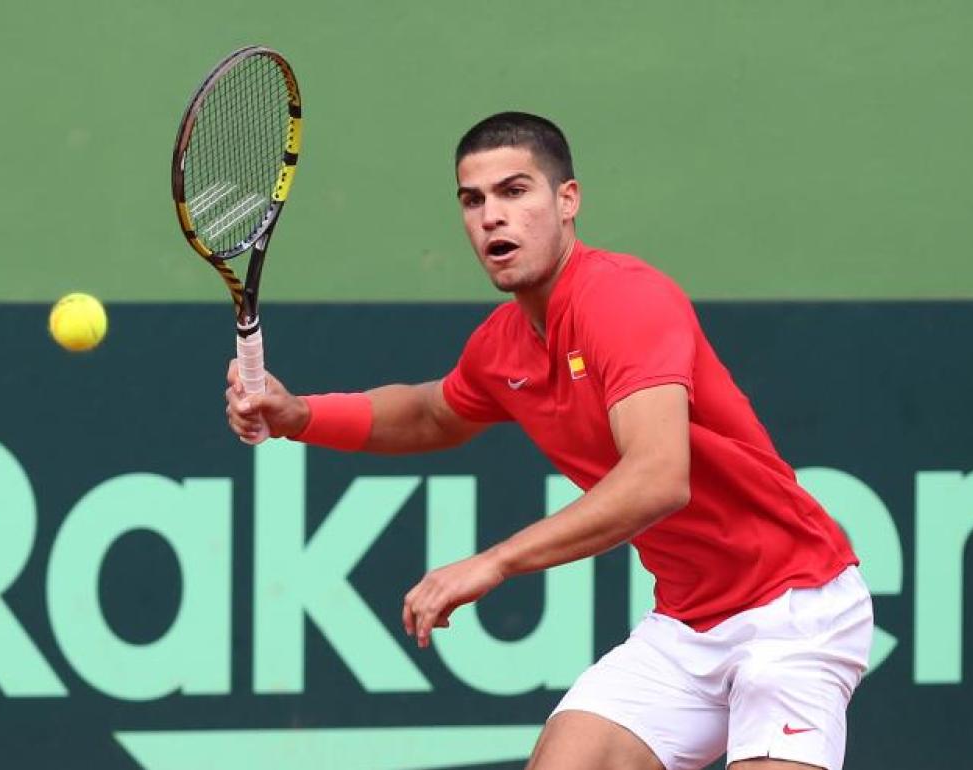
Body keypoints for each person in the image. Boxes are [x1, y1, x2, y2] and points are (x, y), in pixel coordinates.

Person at [225, 112, 872, 770]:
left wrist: (495, 562)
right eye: (472, 200)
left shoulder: (624, 301)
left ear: (568, 202)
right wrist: (300, 414)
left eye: (514, 191)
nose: (490, 217)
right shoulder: (503, 345)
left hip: (794, 610)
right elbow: (431, 414)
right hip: (689, 626)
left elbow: (658, 478)